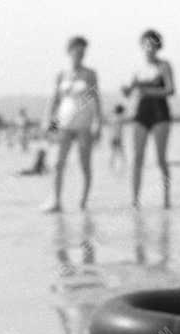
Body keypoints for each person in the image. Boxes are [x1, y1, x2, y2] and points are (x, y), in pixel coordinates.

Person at [43, 36, 102, 213]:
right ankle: (56, 200)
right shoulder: (61, 74)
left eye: (83, 51)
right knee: (58, 163)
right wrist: (48, 124)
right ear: (69, 51)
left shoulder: (90, 74)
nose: (80, 53)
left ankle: (83, 202)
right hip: (63, 122)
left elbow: (96, 99)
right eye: (77, 50)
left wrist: (98, 122)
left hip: (84, 123)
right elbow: (54, 101)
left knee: (84, 163)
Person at [123, 29, 175, 209]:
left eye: (153, 45)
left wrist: (148, 91)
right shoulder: (138, 68)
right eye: (146, 45)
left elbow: (170, 90)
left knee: (161, 159)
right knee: (137, 157)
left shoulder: (164, 66)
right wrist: (127, 91)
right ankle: (135, 200)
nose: (150, 48)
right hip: (141, 112)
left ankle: (167, 197)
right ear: (142, 46)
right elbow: (131, 91)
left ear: (158, 47)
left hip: (160, 112)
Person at [109, 104, 126, 169]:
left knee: (115, 151)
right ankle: (123, 162)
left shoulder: (114, 118)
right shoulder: (119, 118)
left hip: (114, 137)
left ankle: (112, 163)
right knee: (119, 151)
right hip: (117, 138)